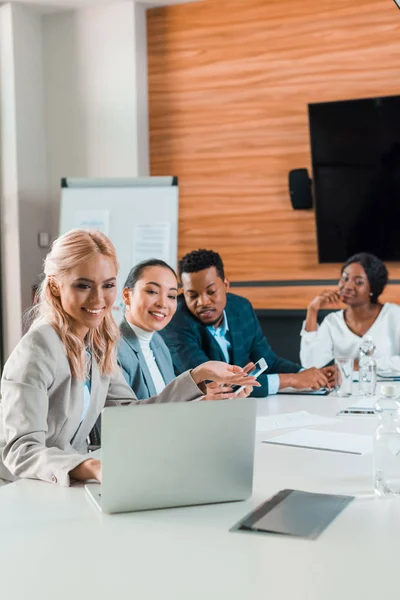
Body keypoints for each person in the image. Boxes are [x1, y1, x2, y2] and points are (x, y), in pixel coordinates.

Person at [0, 231, 258, 488]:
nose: (98, 299)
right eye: (83, 285)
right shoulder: (38, 347)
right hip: (24, 490)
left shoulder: (98, 342)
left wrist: (197, 376)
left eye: (108, 285)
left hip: (70, 487)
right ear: (55, 286)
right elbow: (20, 450)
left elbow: (128, 415)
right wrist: (89, 466)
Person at [160, 249, 334, 397]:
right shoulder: (175, 321)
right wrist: (292, 380)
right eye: (192, 295)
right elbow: (212, 383)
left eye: (211, 291)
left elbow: (269, 362)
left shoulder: (241, 308)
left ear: (226, 285)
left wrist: (309, 374)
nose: (203, 302)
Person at [119, 259, 237, 400]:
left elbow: (169, 402)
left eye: (171, 296)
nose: (163, 303)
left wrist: (204, 398)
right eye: (152, 291)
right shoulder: (114, 350)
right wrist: (197, 375)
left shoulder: (158, 342)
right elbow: (124, 416)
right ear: (127, 295)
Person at [300, 252, 400, 372]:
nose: (347, 286)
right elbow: (311, 364)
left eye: (359, 282)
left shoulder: (394, 315)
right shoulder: (332, 321)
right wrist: (312, 311)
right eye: (345, 278)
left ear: (372, 288)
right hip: (345, 390)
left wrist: (359, 365)